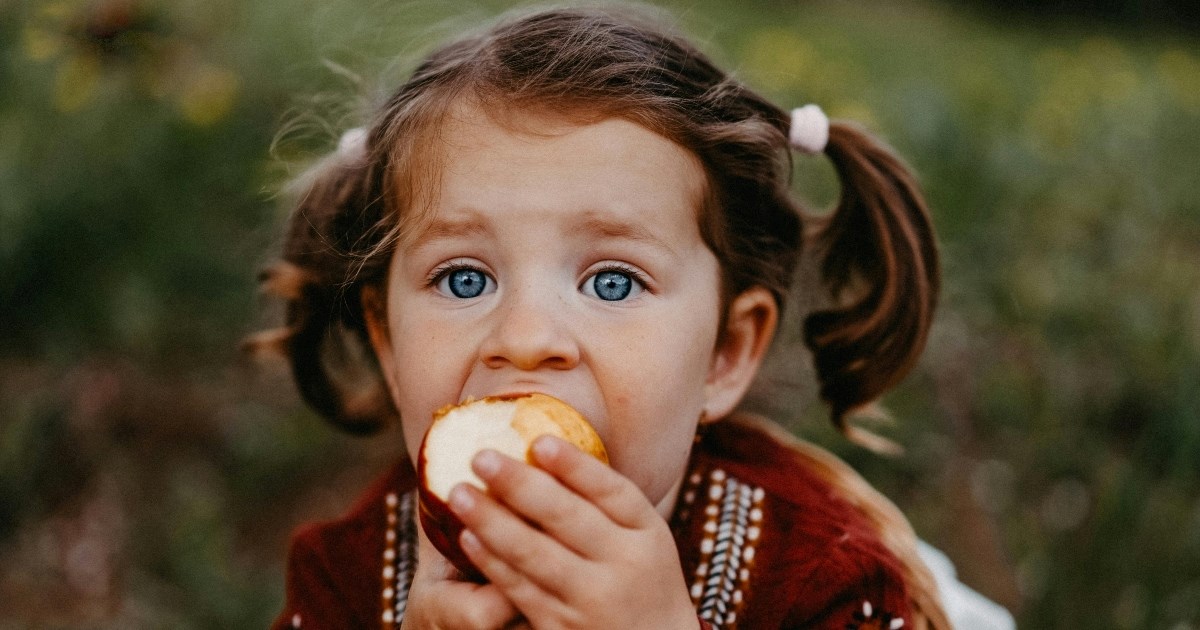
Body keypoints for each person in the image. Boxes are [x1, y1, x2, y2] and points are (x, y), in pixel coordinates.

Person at [250, 5, 963, 629]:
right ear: (388, 343)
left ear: (725, 354)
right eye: (465, 279)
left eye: (614, 283)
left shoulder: (824, 581)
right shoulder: (343, 579)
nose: (526, 339)